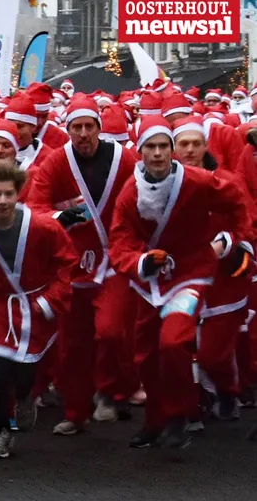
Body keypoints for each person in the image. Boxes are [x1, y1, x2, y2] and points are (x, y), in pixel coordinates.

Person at [110, 115, 251, 448]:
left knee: (174, 342)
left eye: (164, 146)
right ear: (140, 151)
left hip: (190, 275)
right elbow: (120, 240)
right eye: (151, 147)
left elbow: (238, 203)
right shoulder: (130, 192)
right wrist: (140, 262)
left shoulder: (198, 180)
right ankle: (155, 421)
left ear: (171, 150)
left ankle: (179, 414)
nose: (158, 153)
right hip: (150, 282)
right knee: (145, 357)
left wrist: (232, 239)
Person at [27, 96, 138, 434]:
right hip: (73, 264)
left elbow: (142, 198)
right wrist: (61, 216)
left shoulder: (123, 159)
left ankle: (109, 390)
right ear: (68, 129)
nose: (84, 134)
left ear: (99, 129)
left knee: (111, 331)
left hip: (114, 260)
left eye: (89, 126)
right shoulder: (55, 162)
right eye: (77, 127)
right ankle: (76, 412)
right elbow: (35, 206)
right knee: (73, 343)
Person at [0, 160, 77, 458]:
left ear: (19, 194)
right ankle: (1, 431)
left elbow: (67, 263)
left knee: (24, 376)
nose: (2, 201)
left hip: (35, 306)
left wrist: (51, 299)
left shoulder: (43, 226)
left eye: (9, 194)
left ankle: (24, 398)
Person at [172, 116, 256, 419]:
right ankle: (194, 402)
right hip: (181, 278)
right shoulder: (164, 184)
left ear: (206, 145)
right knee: (177, 345)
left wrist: (230, 243)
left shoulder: (228, 181)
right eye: (184, 144)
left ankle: (226, 388)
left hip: (222, 281)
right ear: (174, 148)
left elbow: (246, 225)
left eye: (196, 144)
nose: (190, 150)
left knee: (212, 354)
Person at [25, 83, 70, 149]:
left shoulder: (60, 138)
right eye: (36, 116)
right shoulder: (15, 134)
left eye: (44, 116)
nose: (40, 122)